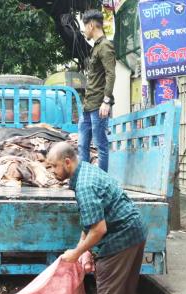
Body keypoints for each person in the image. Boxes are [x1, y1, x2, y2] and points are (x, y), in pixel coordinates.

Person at [47, 142, 146, 294]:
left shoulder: (84, 185)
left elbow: (99, 229)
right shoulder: (84, 170)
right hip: (135, 230)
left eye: (53, 166)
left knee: (107, 284)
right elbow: (90, 222)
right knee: (124, 284)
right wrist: (82, 249)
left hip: (122, 235)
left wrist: (76, 253)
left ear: (67, 162)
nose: (51, 171)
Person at [79, 9, 116, 172]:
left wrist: (106, 101)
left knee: (100, 145)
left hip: (99, 106)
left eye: (85, 26)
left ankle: (102, 182)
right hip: (88, 106)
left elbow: (111, 74)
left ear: (92, 25)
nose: (84, 29)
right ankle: (84, 180)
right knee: (82, 145)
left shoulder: (105, 46)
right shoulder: (96, 47)